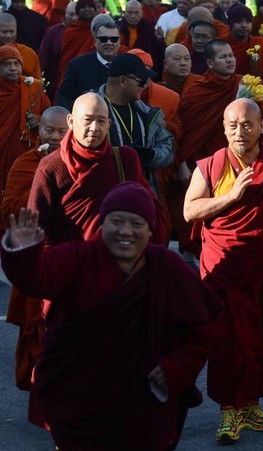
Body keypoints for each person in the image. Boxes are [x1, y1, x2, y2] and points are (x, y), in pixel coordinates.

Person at [2, 183, 221, 450]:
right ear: (102, 224)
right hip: (79, 398)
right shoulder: (80, 258)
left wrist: (175, 368)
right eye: (116, 222)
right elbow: (36, 279)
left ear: (151, 230)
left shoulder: (168, 268)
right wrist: (23, 251)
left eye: (136, 224)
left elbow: (199, 331)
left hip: (143, 402)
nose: (126, 232)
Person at [183, 98, 263, 444]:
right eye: (233, 125)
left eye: (248, 124)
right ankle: (228, 410)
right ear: (223, 128)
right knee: (228, 342)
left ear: (261, 126)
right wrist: (232, 197)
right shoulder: (209, 166)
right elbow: (190, 211)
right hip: (223, 267)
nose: (240, 131)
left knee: (262, 339)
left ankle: (250, 405)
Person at [28, 92, 164, 245]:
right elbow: (37, 224)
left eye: (101, 121)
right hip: (68, 261)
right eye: (88, 120)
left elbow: (146, 213)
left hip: (116, 259)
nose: (94, 128)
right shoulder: (51, 166)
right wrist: (52, 263)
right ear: (71, 122)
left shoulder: (124, 160)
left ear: (109, 124)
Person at [1, 106, 68, 396]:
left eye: (61, 132)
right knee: (39, 338)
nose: (54, 137)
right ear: (38, 131)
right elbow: (8, 211)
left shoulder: (77, 163)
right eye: (48, 130)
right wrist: (41, 186)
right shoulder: (27, 163)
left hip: (70, 258)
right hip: (37, 257)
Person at [97, 53, 174, 194]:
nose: (146, 85)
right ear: (123, 81)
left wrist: (150, 155)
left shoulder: (147, 113)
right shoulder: (92, 111)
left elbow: (168, 149)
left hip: (141, 192)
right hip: (104, 192)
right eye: (142, 80)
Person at [178, 39, 249, 166]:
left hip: (241, 154)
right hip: (204, 159)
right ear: (210, 63)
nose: (229, 60)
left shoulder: (245, 84)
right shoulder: (196, 91)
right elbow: (186, 132)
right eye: (223, 57)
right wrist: (181, 163)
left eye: (231, 55)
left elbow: (260, 120)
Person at [0, 46, 50, 198]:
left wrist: (39, 120)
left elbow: (49, 115)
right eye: (7, 64)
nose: (13, 68)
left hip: (24, 151)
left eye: (16, 64)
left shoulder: (33, 88)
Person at [56, 16, 120, 110]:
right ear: (95, 41)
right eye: (103, 39)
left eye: (114, 39)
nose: (109, 43)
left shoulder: (127, 65)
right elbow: (64, 98)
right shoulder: (77, 65)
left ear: (120, 42)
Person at [225, 3, 263, 88]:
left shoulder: (260, 43)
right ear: (230, 23)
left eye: (248, 22)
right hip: (229, 91)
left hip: (257, 93)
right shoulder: (221, 45)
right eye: (239, 21)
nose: (244, 25)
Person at [39, 1, 77, 100]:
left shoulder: (85, 33)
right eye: (71, 14)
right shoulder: (53, 32)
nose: (74, 18)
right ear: (65, 14)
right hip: (54, 84)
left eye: (77, 14)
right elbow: (44, 59)